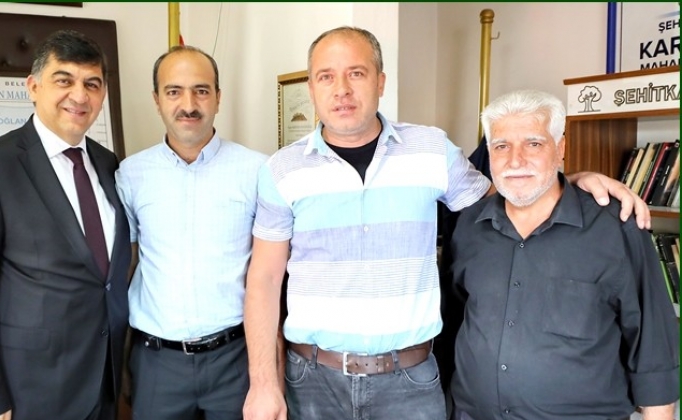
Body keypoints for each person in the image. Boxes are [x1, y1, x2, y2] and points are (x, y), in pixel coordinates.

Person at [242, 26, 652, 420]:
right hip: (313, 380)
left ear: (381, 82)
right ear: (312, 88)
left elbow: (512, 198)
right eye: (326, 77)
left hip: (410, 383)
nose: (342, 89)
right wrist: (263, 384)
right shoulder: (281, 170)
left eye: (357, 73)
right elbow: (264, 279)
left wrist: (573, 181)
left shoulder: (432, 150)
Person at [449, 90, 679, 420]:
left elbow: (653, 349)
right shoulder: (469, 226)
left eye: (533, 144)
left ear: (561, 149)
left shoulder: (616, 228)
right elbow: (456, 321)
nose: (515, 161)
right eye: (501, 146)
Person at [0, 30, 131, 420]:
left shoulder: (109, 163)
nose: (79, 96)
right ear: (33, 86)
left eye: (92, 84)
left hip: (104, 383)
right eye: (64, 80)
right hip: (30, 393)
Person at [114, 45, 267, 420]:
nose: (189, 104)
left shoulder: (258, 171)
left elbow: (271, 273)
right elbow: (126, 267)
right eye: (174, 91)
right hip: (157, 363)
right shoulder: (130, 174)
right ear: (156, 100)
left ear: (218, 97)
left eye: (201, 90)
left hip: (235, 358)